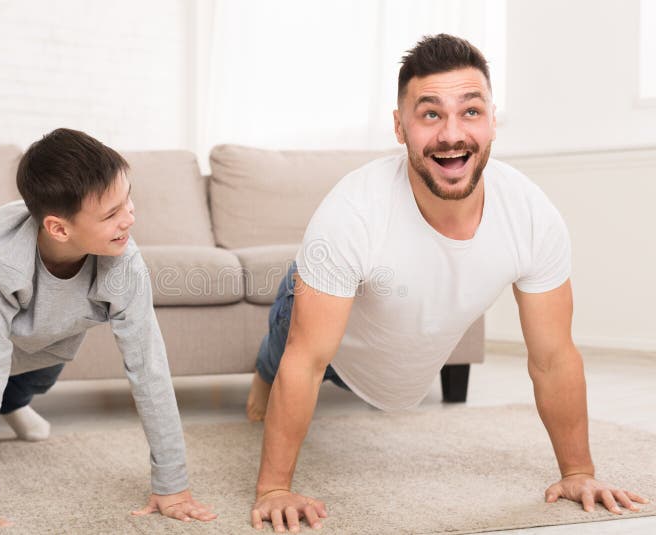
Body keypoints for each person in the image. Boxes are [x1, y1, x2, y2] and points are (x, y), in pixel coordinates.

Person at [246, 34, 649, 532]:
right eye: (430, 114)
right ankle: (261, 375)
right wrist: (274, 488)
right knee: (285, 343)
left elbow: (554, 357)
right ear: (400, 126)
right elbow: (305, 361)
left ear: (493, 121)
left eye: (471, 112)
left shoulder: (532, 214)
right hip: (332, 339)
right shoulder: (351, 212)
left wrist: (578, 472)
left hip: (391, 350)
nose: (452, 134)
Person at [0, 128, 216, 534]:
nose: (129, 217)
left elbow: (149, 370)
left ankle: (15, 404)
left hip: (62, 316)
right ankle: (4, 405)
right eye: (112, 214)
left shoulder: (124, 264)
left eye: (128, 199)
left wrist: (173, 486)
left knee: (41, 366)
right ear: (59, 229)